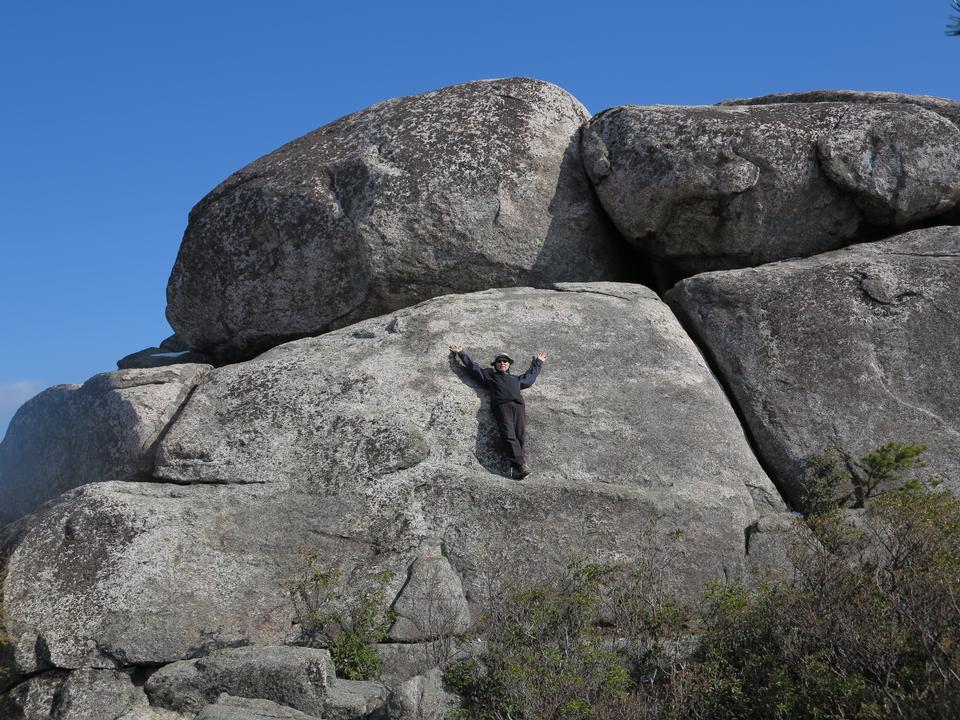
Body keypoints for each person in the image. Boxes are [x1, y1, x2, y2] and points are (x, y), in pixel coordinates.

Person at [449, 344, 546, 478]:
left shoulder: (516, 379)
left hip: (518, 406)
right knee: (508, 434)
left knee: (520, 435)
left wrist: (538, 362)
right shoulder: (490, 377)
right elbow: (474, 368)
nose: (502, 363)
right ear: (495, 364)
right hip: (502, 406)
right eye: (499, 361)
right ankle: (520, 464)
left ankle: (517, 466)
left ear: (508, 364)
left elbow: (529, 378)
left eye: (505, 361)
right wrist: (461, 354)